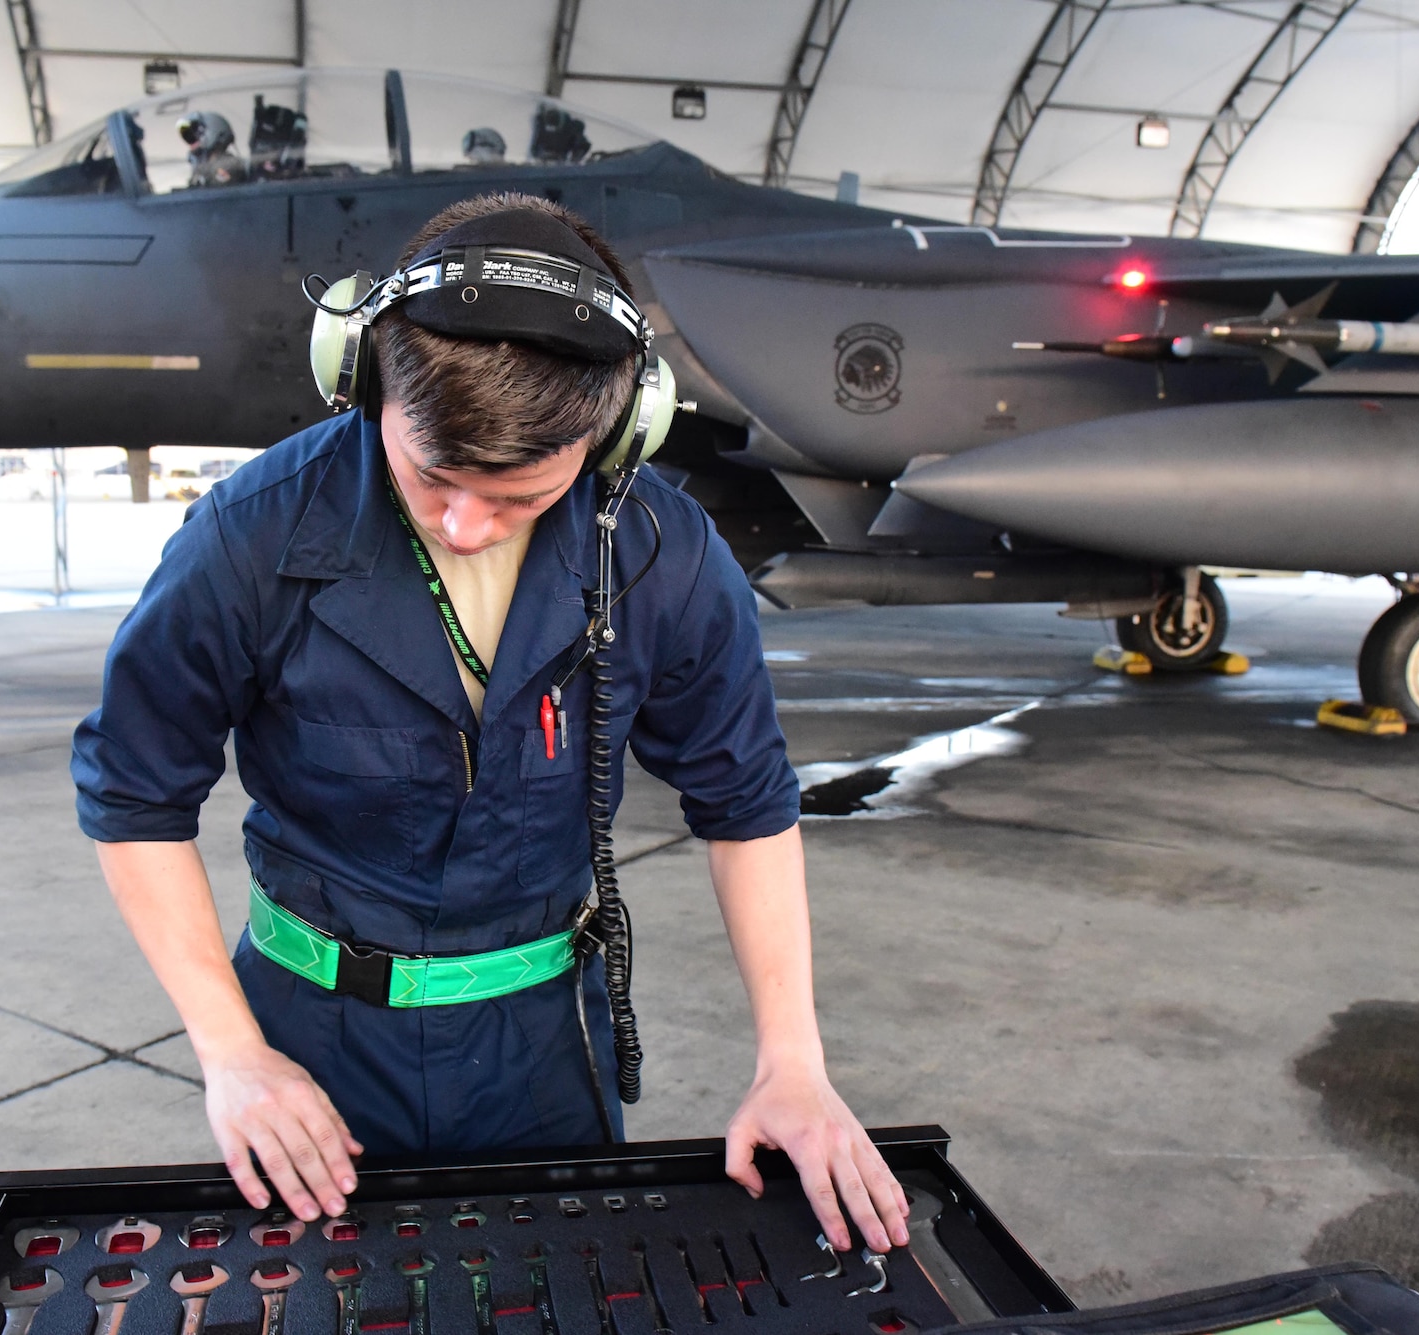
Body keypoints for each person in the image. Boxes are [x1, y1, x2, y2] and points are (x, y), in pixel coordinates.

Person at [71, 193, 909, 1257]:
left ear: (617, 431)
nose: (467, 527)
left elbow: (744, 804)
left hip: (542, 1046)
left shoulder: (662, 554)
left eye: (516, 496)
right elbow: (135, 799)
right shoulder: (248, 537)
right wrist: (233, 1054)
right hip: (308, 1029)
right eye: (432, 479)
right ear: (364, 380)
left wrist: (793, 1063)